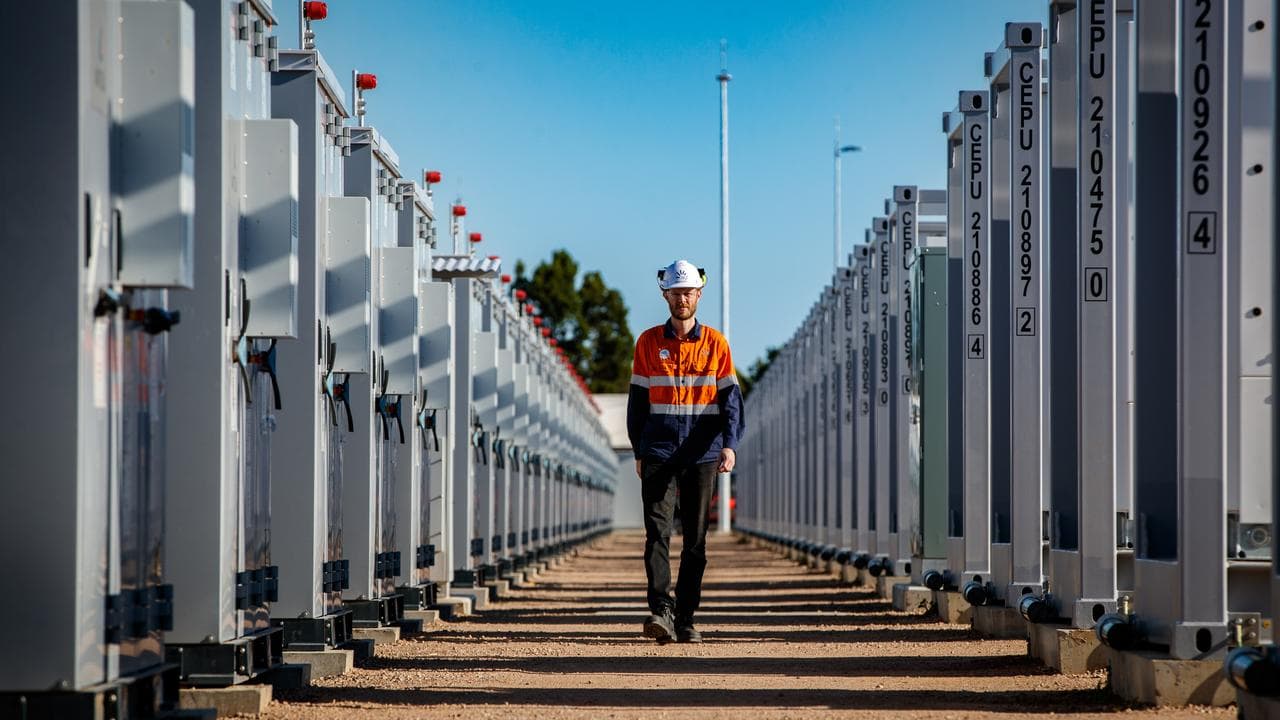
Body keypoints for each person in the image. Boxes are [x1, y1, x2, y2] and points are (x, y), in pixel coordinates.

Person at [626, 259, 745, 644]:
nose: (682, 299)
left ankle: (686, 617)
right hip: (660, 449)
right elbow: (638, 402)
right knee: (657, 533)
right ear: (666, 295)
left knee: (695, 540)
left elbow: (731, 401)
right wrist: (638, 450)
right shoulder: (647, 342)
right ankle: (661, 610)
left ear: (699, 295)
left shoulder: (716, 344)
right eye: (676, 293)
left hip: (702, 454)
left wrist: (730, 444)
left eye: (688, 293)